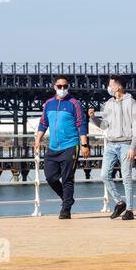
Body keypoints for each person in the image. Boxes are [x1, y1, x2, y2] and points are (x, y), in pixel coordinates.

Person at [34, 76, 89, 219]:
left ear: (68, 86)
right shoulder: (48, 104)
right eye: (59, 86)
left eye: (65, 86)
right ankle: (67, 199)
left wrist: (84, 144)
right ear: (54, 87)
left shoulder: (74, 103)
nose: (62, 89)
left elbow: (81, 124)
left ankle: (66, 210)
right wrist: (38, 140)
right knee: (50, 177)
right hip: (53, 147)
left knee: (67, 179)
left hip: (70, 145)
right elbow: (43, 123)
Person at [88, 75, 136, 220]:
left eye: (110, 84)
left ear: (117, 86)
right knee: (104, 175)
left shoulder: (132, 103)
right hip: (110, 144)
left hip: (126, 144)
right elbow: (105, 125)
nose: (108, 87)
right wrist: (93, 118)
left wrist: (133, 147)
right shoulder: (108, 104)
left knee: (126, 177)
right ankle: (119, 202)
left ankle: (129, 210)